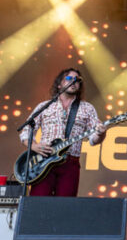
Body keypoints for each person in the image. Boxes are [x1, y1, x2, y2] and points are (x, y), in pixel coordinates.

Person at [19, 68, 107, 196]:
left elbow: (94, 140)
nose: (74, 81)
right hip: (44, 162)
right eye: (69, 78)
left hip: (70, 163)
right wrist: (34, 146)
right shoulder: (45, 106)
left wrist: (101, 133)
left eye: (77, 80)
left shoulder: (87, 108)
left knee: (65, 207)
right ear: (59, 84)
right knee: (38, 203)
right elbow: (26, 131)